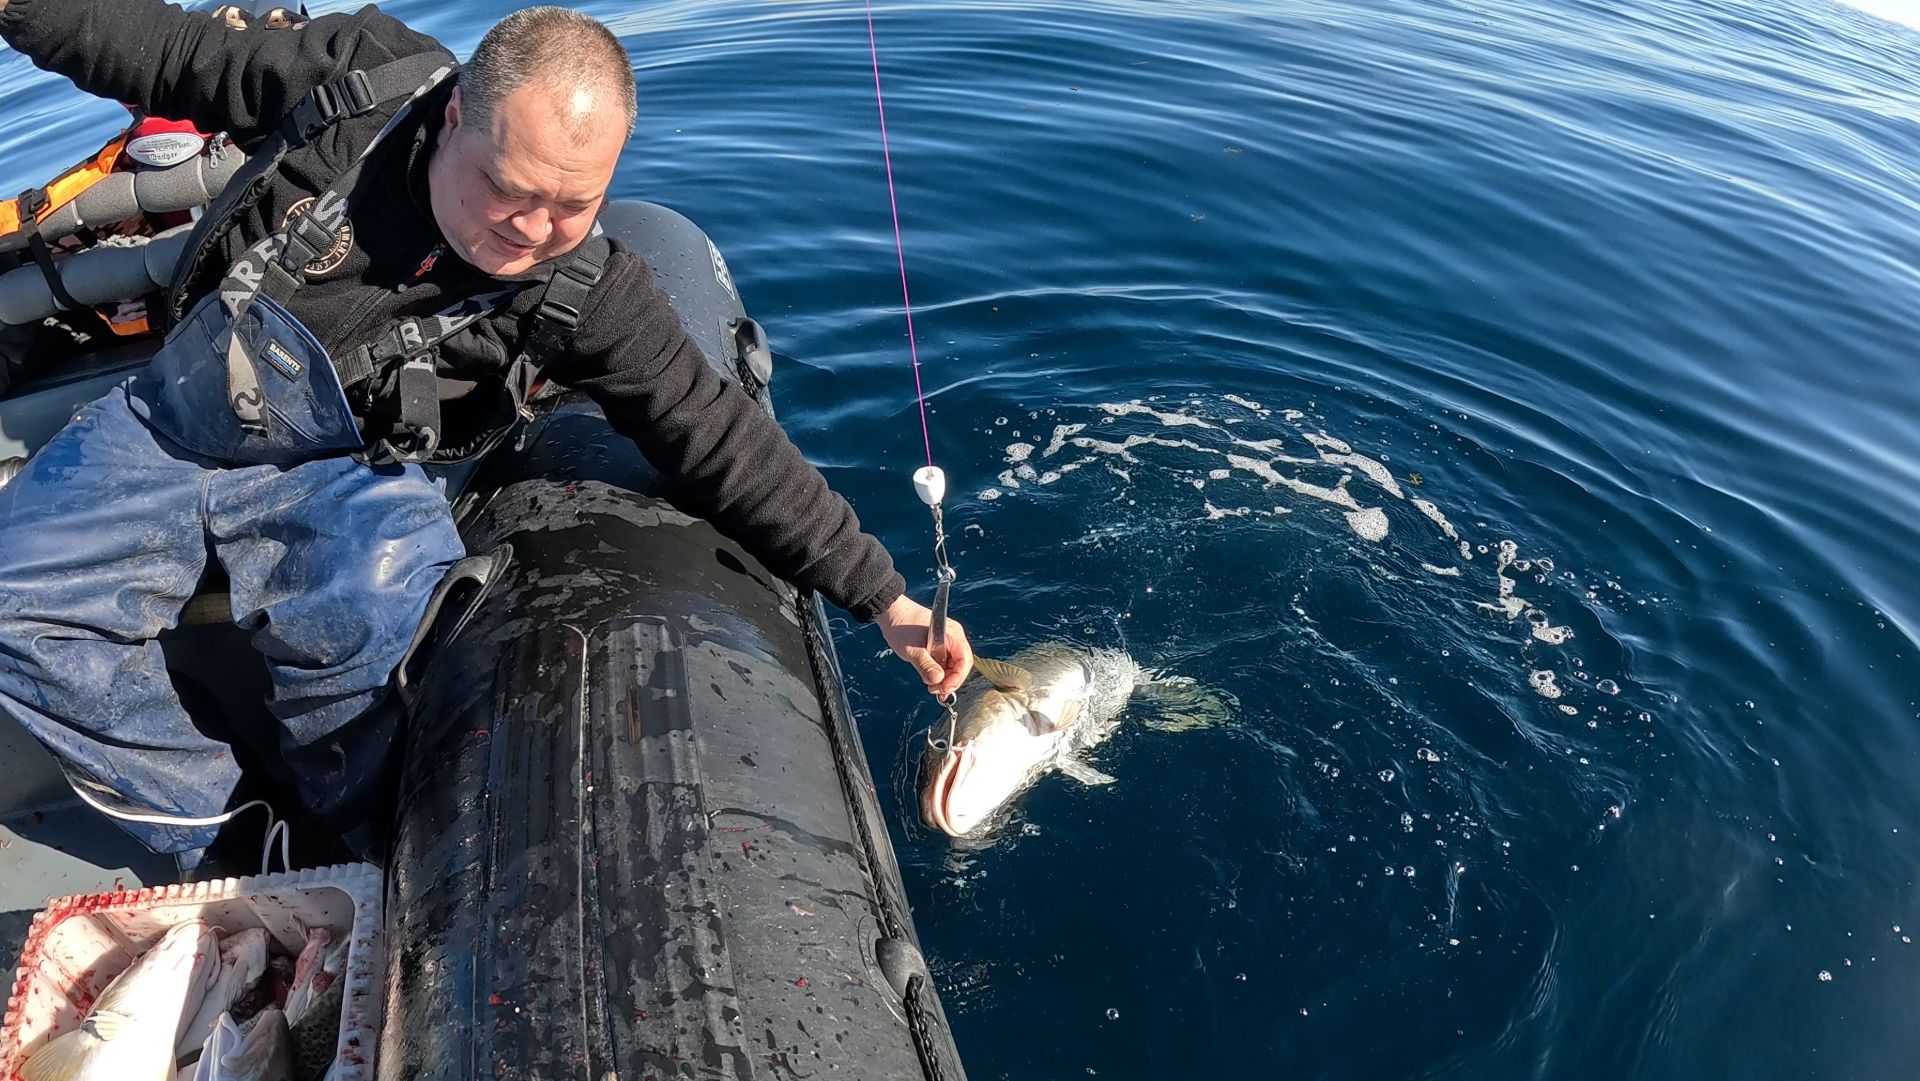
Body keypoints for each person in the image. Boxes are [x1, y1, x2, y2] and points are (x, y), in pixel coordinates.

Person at [0, 0, 973, 866]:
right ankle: (230, 829)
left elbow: (717, 435)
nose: (535, 228)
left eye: (574, 203)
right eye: (512, 187)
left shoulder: (592, 292)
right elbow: (156, 49)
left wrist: (882, 596)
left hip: (346, 466)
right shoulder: (359, 76)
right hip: (178, 413)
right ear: (457, 113)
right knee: (16, 604)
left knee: (366, 635)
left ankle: (356, 842)